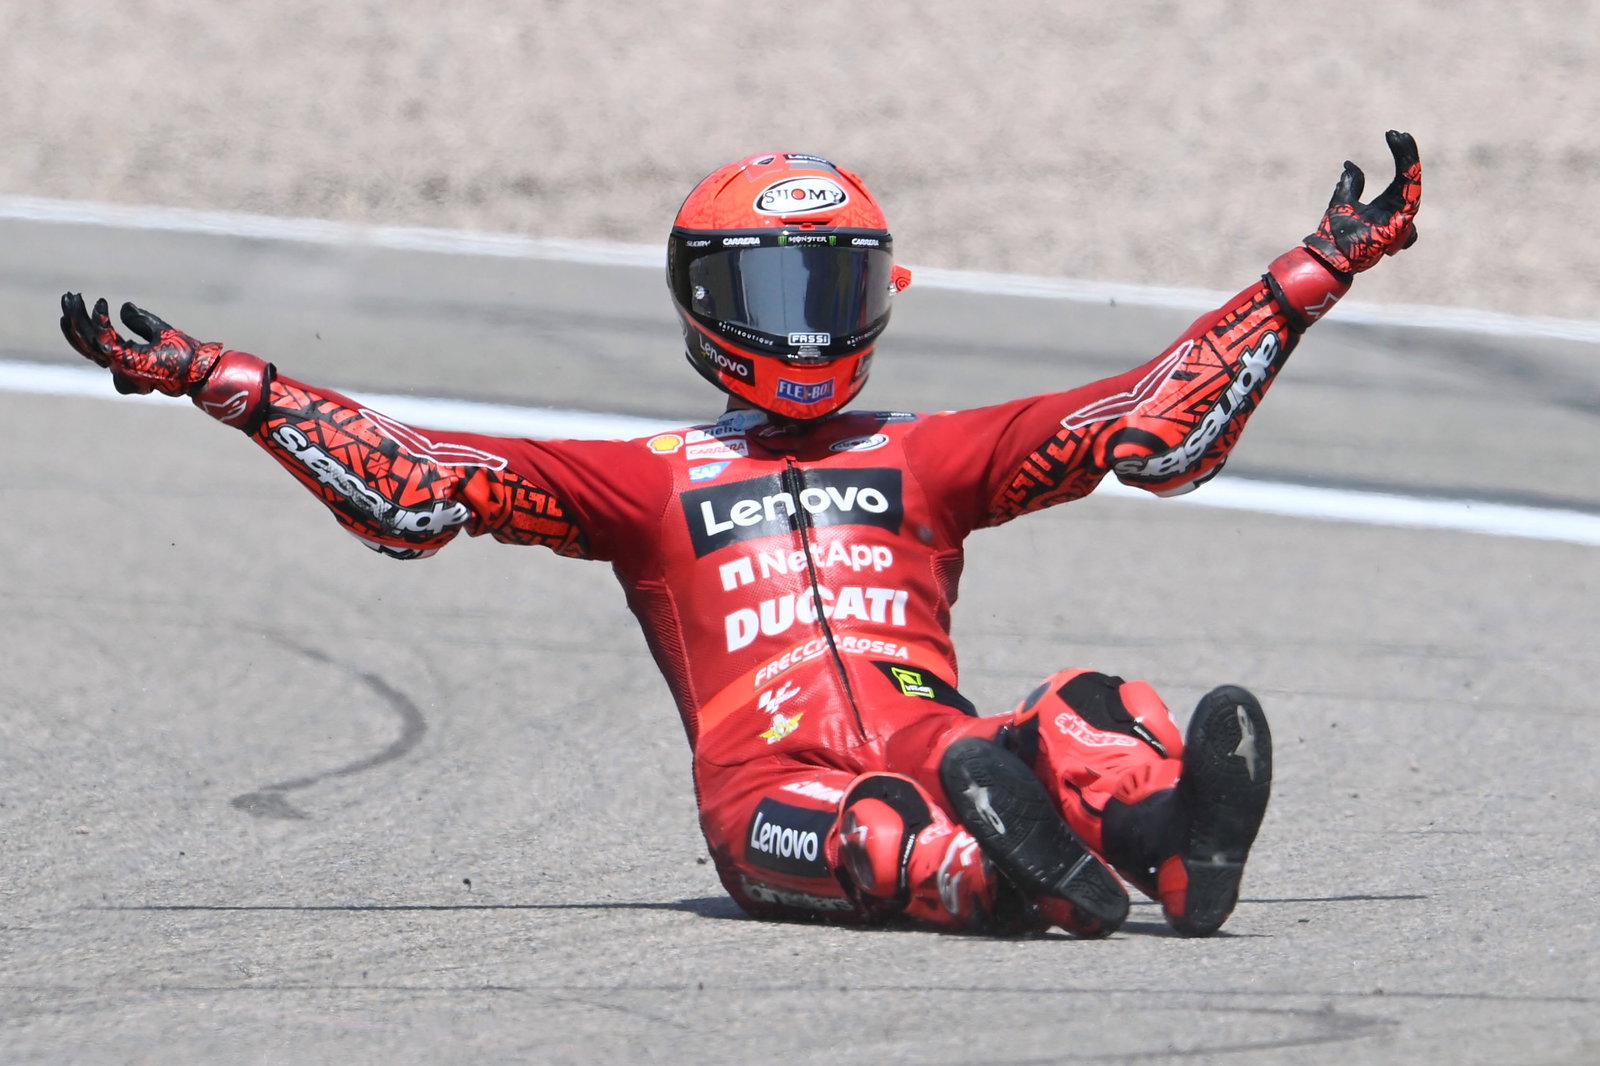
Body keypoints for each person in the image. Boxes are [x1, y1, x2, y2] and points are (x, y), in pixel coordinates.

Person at [58, 133, 1421, 937]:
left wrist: (1309, 273)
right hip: (772, 788)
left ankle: (1169, 840)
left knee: (1089, 709)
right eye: (778, 282)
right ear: (706, 299)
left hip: (927, 729)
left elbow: (1145, 425)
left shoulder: (923, 452)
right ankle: (1018, 879)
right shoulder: (646, 479)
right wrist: (227, 380)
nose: (813, 314)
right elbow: (420, 485)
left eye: (839, 280)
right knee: (888, 835)